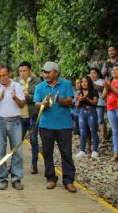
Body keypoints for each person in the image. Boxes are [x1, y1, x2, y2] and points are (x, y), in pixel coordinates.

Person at [34, 61, 77, 193]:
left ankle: (68, 181)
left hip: (64, 125)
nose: (46, 74)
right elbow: (36, 104)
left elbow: (70, 101)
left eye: (48, 72)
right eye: (44, 72)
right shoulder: (40, 87)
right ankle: (51, 178)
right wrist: (44, 104)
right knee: (47, 153)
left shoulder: (66, 84)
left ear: (56, 72)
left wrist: (59, 101)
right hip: (46, 125)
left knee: (66, 153)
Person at [0, 63, 25, 191]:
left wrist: (14, 98)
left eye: (4, 75)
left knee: (17, 152)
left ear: (9, 74)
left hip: (15, 122)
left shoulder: (17, 85)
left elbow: (22, 105)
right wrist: (0, 97)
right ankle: (3, 178)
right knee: (0, 152)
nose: (2, 78)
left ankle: (16, 178)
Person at [15, 61, 42, 174]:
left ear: (29, 70)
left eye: (24, 71)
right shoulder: (15, 82)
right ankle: (15, 165)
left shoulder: (37, 81)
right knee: (16, 142)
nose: (22, 73)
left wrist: (27, 97)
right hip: (19, 116)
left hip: (33, 115)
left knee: (34, 141)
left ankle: (34, 164)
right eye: (20, 71)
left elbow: (39, 96)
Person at [102, 64, 118, 162]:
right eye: (113, 70)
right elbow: (103, 96)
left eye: (116, 70)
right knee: (115, 131)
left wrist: (110, 86)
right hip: (110, 107)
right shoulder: (109, 81)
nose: (114, 71)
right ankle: (116, 153)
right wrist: (106, 87)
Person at [75, 76, 99, 158]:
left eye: (85, 82)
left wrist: (87, 99)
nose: (83, 83)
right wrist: (79, 99)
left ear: (89, 82)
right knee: (82, 132)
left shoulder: (94, 91)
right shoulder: (79, 92)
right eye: (82, 82)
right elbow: (77, 106)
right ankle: (82, 150)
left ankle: (95, 150)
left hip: (91, 112)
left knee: (93, 131)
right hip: (82, 112)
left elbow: (95, 102)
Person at [90, 68, 107, 143]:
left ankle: (103, 138)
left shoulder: (101, 81)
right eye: (91, 73)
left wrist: (92, 84)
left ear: (98, 74)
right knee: (93, 120)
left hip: (100, 103)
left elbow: (103, 88)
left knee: (100, 120)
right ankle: (95, 137)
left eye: (94, 73)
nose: (92, 75)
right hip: (91, 103)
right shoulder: (88, 82)